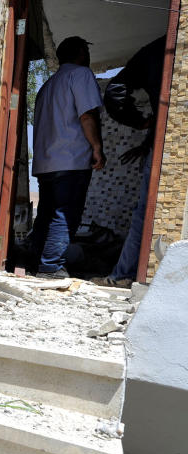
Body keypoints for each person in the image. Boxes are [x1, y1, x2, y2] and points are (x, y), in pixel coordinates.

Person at [29, 36, 105, 279]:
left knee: (45, 216)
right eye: (86, 50)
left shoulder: (47, 86)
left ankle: (35, 263)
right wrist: (96, 147)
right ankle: (51, 267)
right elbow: (87, 115)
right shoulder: (81, 75)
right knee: (65, 213)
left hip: (45, 162)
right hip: (70, 160)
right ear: (81, 53)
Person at [93, 36, 166, 288]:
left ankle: (123, 275)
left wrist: (140, 123)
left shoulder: (158, 49)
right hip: (165, 142)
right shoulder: (166, 50)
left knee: (146, 211)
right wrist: (147, 136)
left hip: (165, 143)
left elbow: (115, 92)